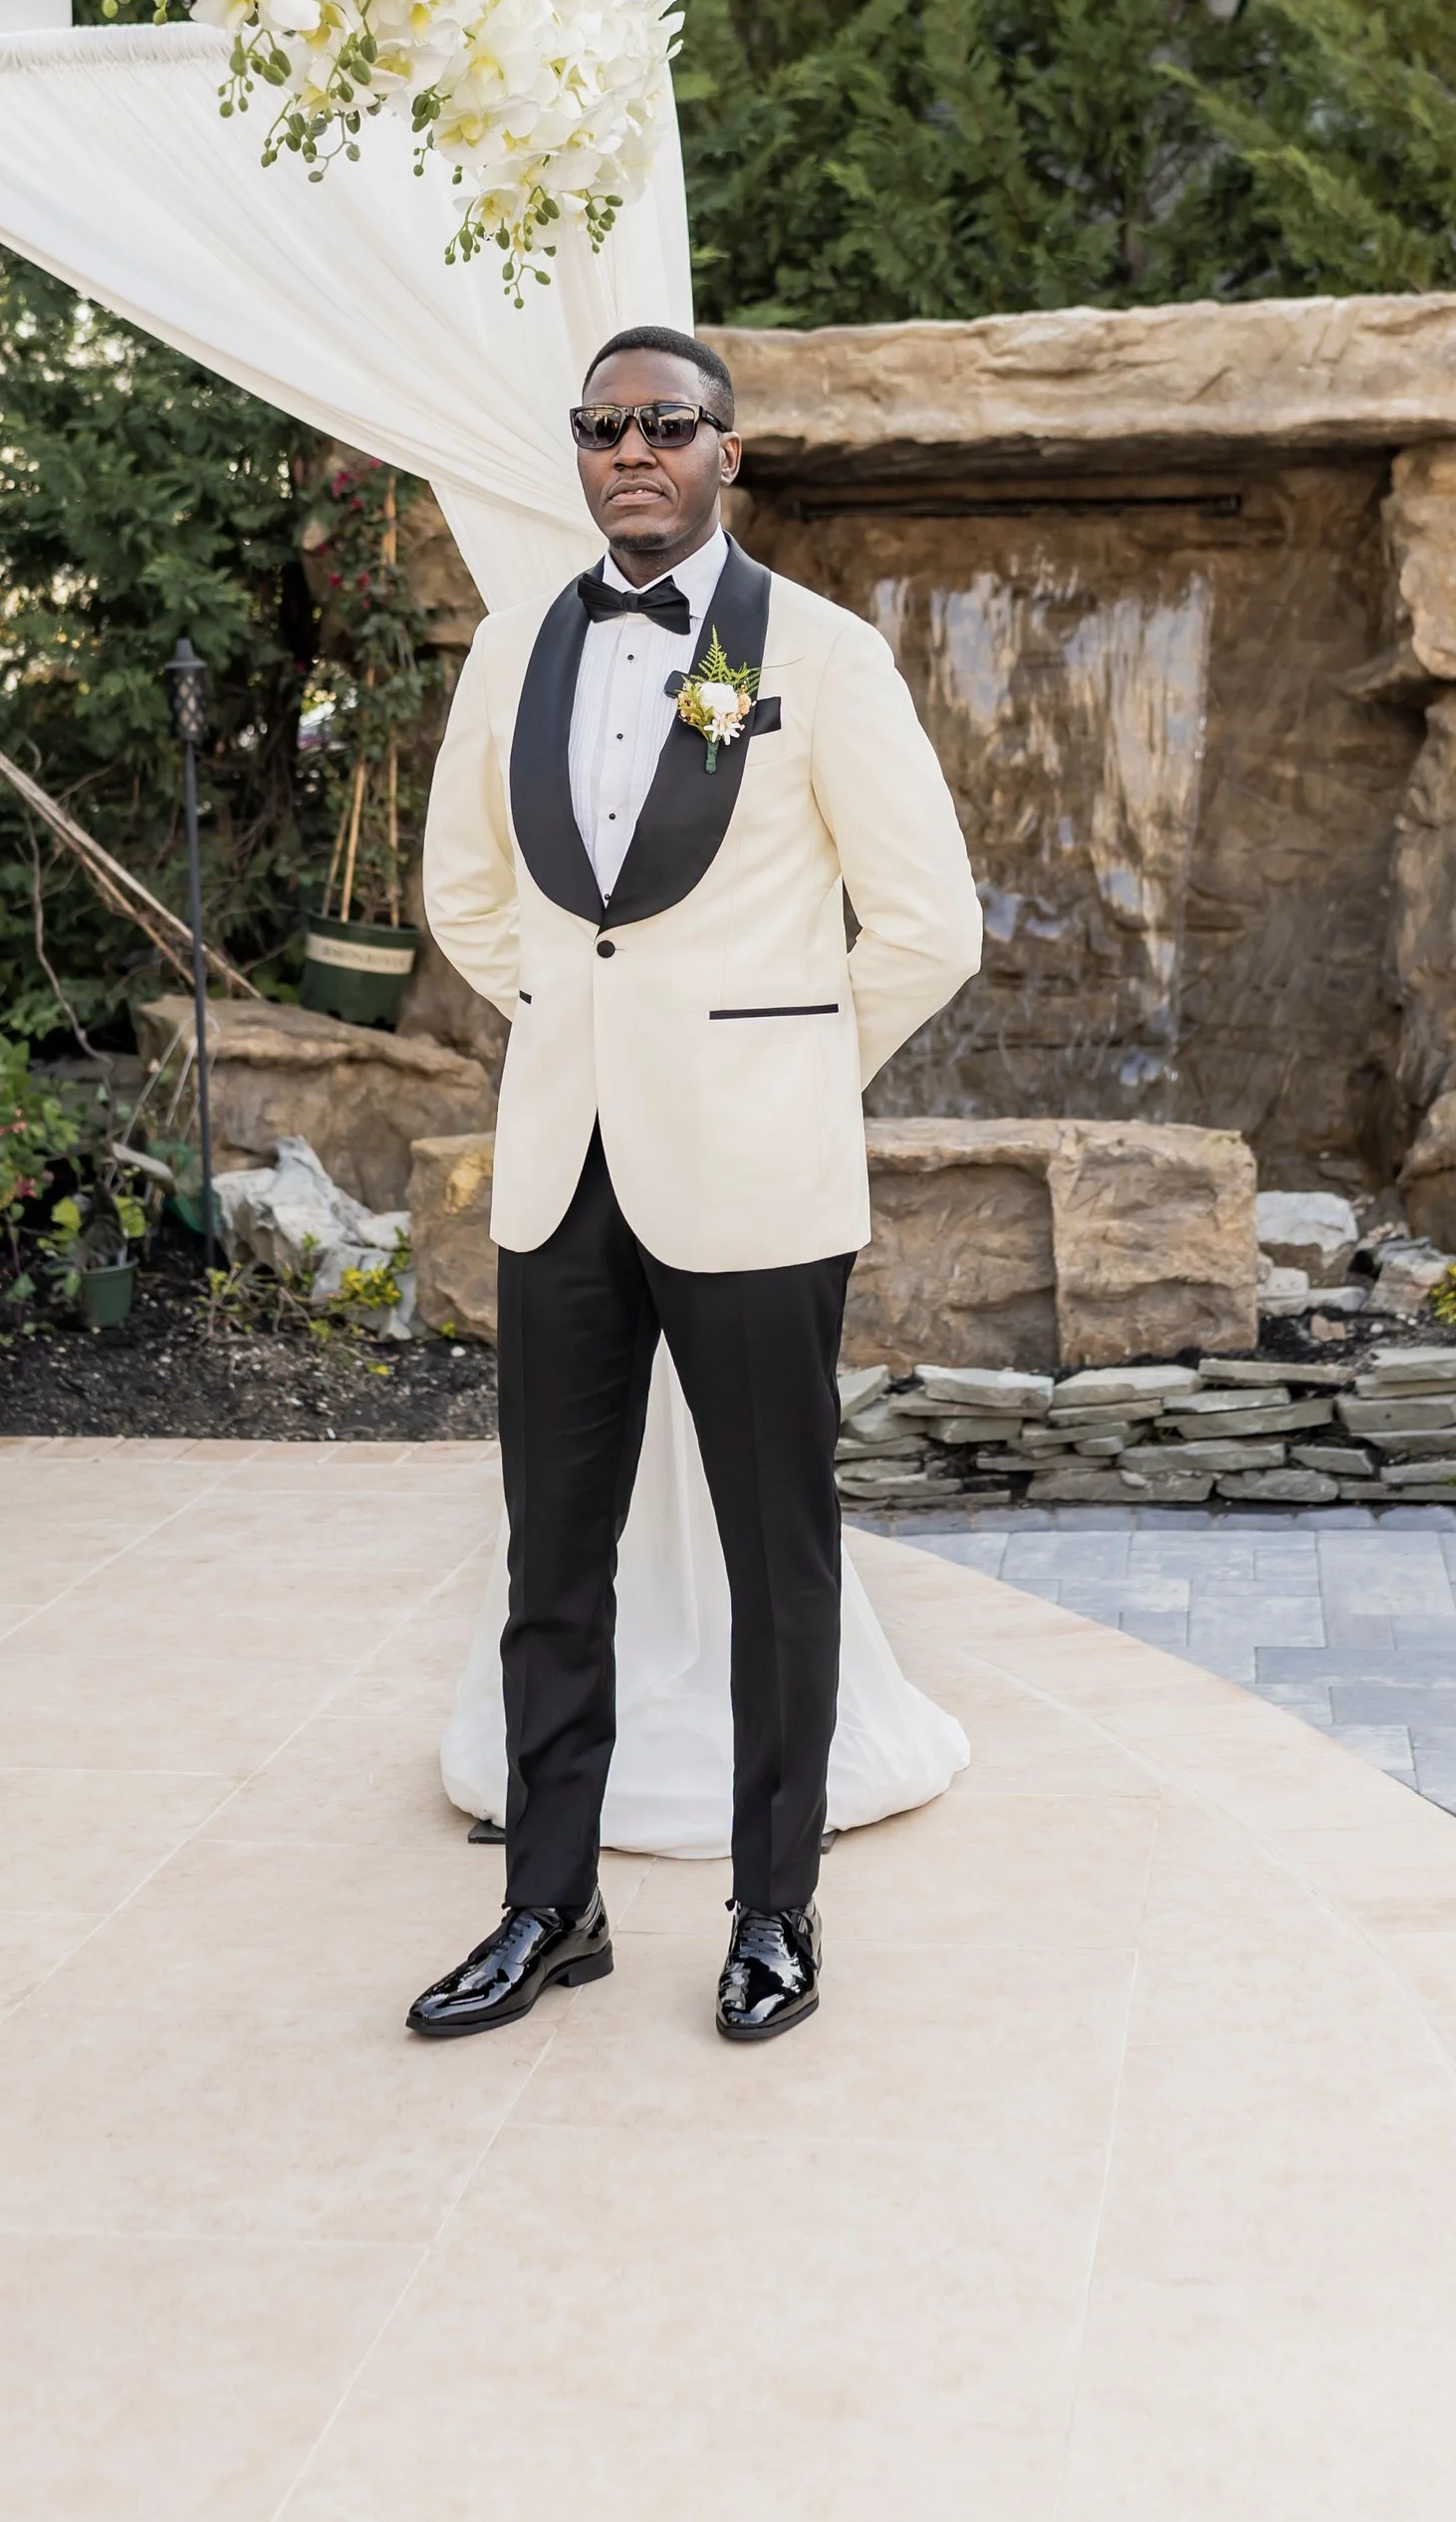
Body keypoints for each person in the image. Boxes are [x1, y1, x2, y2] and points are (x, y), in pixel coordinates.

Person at [410, 323, 982, 2047]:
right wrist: (569, 1015)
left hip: (754, 1173)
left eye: (667, 423)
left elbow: (930, 927)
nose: (632, 449)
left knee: (775, 1554)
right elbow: (470, 889)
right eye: (603, 427)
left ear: (730, 450)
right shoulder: (518, 646)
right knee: (549, 1556)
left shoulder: (819, 654)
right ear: (578, 456)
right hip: (558, 1167)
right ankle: (547, 1901)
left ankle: (776, 1908)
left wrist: (778, 1060)